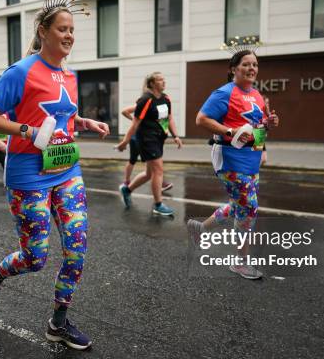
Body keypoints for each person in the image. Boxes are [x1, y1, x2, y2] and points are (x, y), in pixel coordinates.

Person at [0, 0, 110, 350]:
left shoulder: (69, 75)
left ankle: (58, 323)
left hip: (67, 169)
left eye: (72, 30)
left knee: (77, 250)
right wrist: (27, 131)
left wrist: (84, 122)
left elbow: (61, 118)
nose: (69, 36)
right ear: (43, 31)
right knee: (35, 258)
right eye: (62, 29)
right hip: (28, 176)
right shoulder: (21, 72)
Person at [188, 47, 279, 280]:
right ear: (233, 69)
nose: (252, 68)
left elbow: (256, 129)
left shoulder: (257, 95)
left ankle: (200, 229)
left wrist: (267, 128)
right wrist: (230, 130)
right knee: (248, 208)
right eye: (246, 64)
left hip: (251, 159)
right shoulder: (224, 93)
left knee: (238, 205)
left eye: (255, 65)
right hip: (229, 157)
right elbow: (201, 119)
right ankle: (240, 263)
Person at [116, 72, 183, 216]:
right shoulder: (145, 100)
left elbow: (169, 119)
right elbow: (135, 123)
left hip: (159, 139)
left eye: (164, 79)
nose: (164, 82)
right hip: (147, 139)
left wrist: (175, 135)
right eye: (160, 80)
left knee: (149, 173)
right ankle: (158, 204)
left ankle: (127, 190)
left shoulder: (166, 99)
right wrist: (125, 142)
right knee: (158, 171)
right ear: (152, 83)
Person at [120, 104, 173, 192]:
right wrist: (135, 121)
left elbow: (165, 121)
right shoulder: (144, 103)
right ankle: (127, 183)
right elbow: (124, 111)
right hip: (140, 137)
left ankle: (127, 184)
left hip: (148, 137)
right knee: (139, 160)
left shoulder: (159, 103)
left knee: (149, 163)